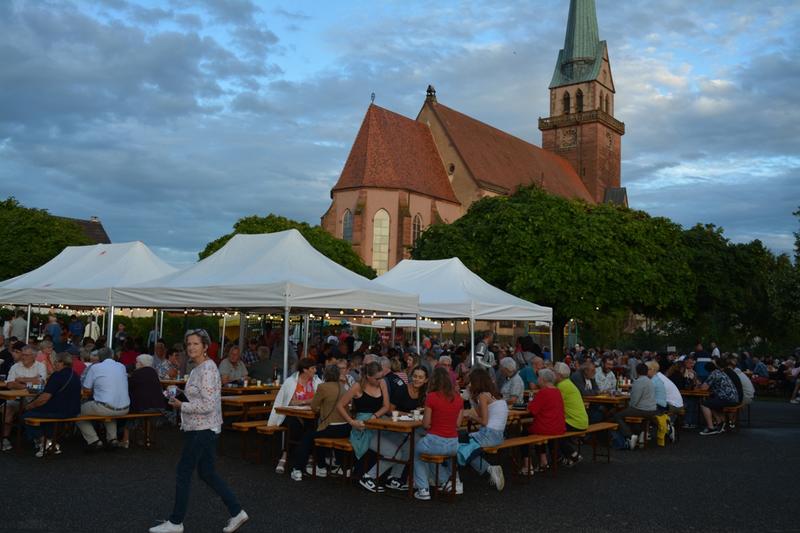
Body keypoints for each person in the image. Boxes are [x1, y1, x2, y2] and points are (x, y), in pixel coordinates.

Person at [150, 329, 248, 533]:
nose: (191, 347)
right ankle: (237, 511)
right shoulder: (197, 368)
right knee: (207, 473)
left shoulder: (208, 369)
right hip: (201, 427)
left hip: (203, 429)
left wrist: (181, 405)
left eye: (196, 344)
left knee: (184, 471)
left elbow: (209, 405)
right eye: (189, 344)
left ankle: (176, 522)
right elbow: (200, 397)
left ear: (205, 347)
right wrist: (180, 395)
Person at [362, 365, 429, 491]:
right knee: (400, 450)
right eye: (415, 376)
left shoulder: (424, 393)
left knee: (411, 444)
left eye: (420, 377)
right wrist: (408, 414)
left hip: (406, 428)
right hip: (392, 427)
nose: (417, 379)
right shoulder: (402, 390)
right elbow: (390, 410)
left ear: (426, 380)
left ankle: (394, 478)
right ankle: (368, 477)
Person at [335, 361, 390, 493]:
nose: (380, 380)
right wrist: (351, 422)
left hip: (378, 419)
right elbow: (340, 405)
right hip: (362, 422)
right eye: (377, 378)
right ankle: (362, 475)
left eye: (381, 377)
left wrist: (375, 416)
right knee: (373, 440)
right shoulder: (357, 386)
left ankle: (369, 475)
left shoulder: (382, 383)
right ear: (368, 377)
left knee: (390, 439)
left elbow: (386, 406)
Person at [289, 365, 351, 481]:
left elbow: (313, 406)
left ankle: (297, 468)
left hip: (330, 427)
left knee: (307, 437)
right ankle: (321, 465)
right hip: (345, 428)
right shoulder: (343, 387)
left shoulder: (323, 387)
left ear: (325, 374)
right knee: (318, 433)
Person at [413, 366, 464, 500]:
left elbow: (425, 424)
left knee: (416, 452)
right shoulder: (458, 398)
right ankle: (444, 481)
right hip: (453, 444)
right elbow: (458, 424)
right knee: (429, 455)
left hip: (435, 441)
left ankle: (423, 488)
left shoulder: (431, 397)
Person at [267, 358, 323, 474]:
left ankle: (303, 457)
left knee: (312, 427)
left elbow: (319, 399)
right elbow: (290, 402)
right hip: (290, 414)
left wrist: (302, 401)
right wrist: (309, 401)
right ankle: (287, 455)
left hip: (309, 415)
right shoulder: (291, 382)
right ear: (305, 370)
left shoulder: (317, 382)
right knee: (295, 426)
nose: (315, 370)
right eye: (312, 368)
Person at [22, 352, 81, 457]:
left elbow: (44, 398)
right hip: (73, 411)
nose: (54, 364)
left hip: (58, 411)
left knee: (27, 415)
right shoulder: (75, 375)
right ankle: (49, 442)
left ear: (61, 363)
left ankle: (45, 442)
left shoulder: (57, 375)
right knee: (45, 416)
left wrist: (29, 406)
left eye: (55, 362)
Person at [459, 368, 506, 490]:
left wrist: (470, 415)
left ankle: (489, 469)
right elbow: (481, 414)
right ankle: (489, 469)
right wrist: (471, 398)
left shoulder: (483, 396)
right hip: (499, 435)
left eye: (471, 382)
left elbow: (483, 421)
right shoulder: (494, 394)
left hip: (488, 434)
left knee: (459, 445)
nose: (469, 385)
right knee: (463, 442)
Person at [76, 347, 130, 450]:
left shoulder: (95, 368)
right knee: (109, 408)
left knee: (76, 411)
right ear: (112, 356)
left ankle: (93, 440)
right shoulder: (121, 366)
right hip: (125, 408)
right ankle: (112, 439)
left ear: (99, 357)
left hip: (105, 408)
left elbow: (86, 388)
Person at [2, 345, 47, 451]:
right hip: (16, 399)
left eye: (27, 355)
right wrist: (31, 383)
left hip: (34, 400)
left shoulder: (40, 366)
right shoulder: (15, 367)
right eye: (23, 355)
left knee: (40, 408)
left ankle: (38, 438)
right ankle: (5, 438)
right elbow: (10, 384)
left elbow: (40, 383)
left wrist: (21, 379)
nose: (23, 357)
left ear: (34, 356)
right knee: (8, 409)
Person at [523, 368, 565, 473]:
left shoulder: (543, 392)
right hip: (558, 427)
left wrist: (529, 404)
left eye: (538, 378)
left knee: (523, 433)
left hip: (546, 427)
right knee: (537, 432)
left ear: (542, 379)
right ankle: (543, 461)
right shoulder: (557, 391)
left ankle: (527, 466)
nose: (537, 380)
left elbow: (532, 410)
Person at [121, 354, 168, 448]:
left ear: (141, 364)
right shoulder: (154, 373)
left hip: (143, 407)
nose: (136, 364)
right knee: (146, 415)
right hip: (159, 406)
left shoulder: (137, 373)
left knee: (128, 411)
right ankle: (146, 438)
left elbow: (128, 387)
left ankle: (125, 440)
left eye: (137, 362)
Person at [614, 363, 657, 449]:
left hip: (642, 410)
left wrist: (627, 407)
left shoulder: (638, 382)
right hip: (652, 409)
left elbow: (634, 401)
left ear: (637, 372)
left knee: (617, 415)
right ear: (646, 371)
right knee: (625, 412)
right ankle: (637, 434)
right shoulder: (650, 381)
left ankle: (630, 435)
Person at [553, 362, 588, 466]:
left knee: (554, 431)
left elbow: (554, 405)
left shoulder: (561, 386)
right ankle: (569, 455)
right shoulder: (567, 383)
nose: (552, 375)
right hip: (581, 420)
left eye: (554, 372)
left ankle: (570, 455)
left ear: (559, 375)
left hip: (574, 422)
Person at [698, 361, 740, 436]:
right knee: (711, 403)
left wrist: (698, 384)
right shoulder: (721, 372)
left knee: (704, 404)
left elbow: (704, 388)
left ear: (707, 370)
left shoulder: (713, 374)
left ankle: (711, 427)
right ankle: (720, 423)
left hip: (727, 398)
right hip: (734, 398)